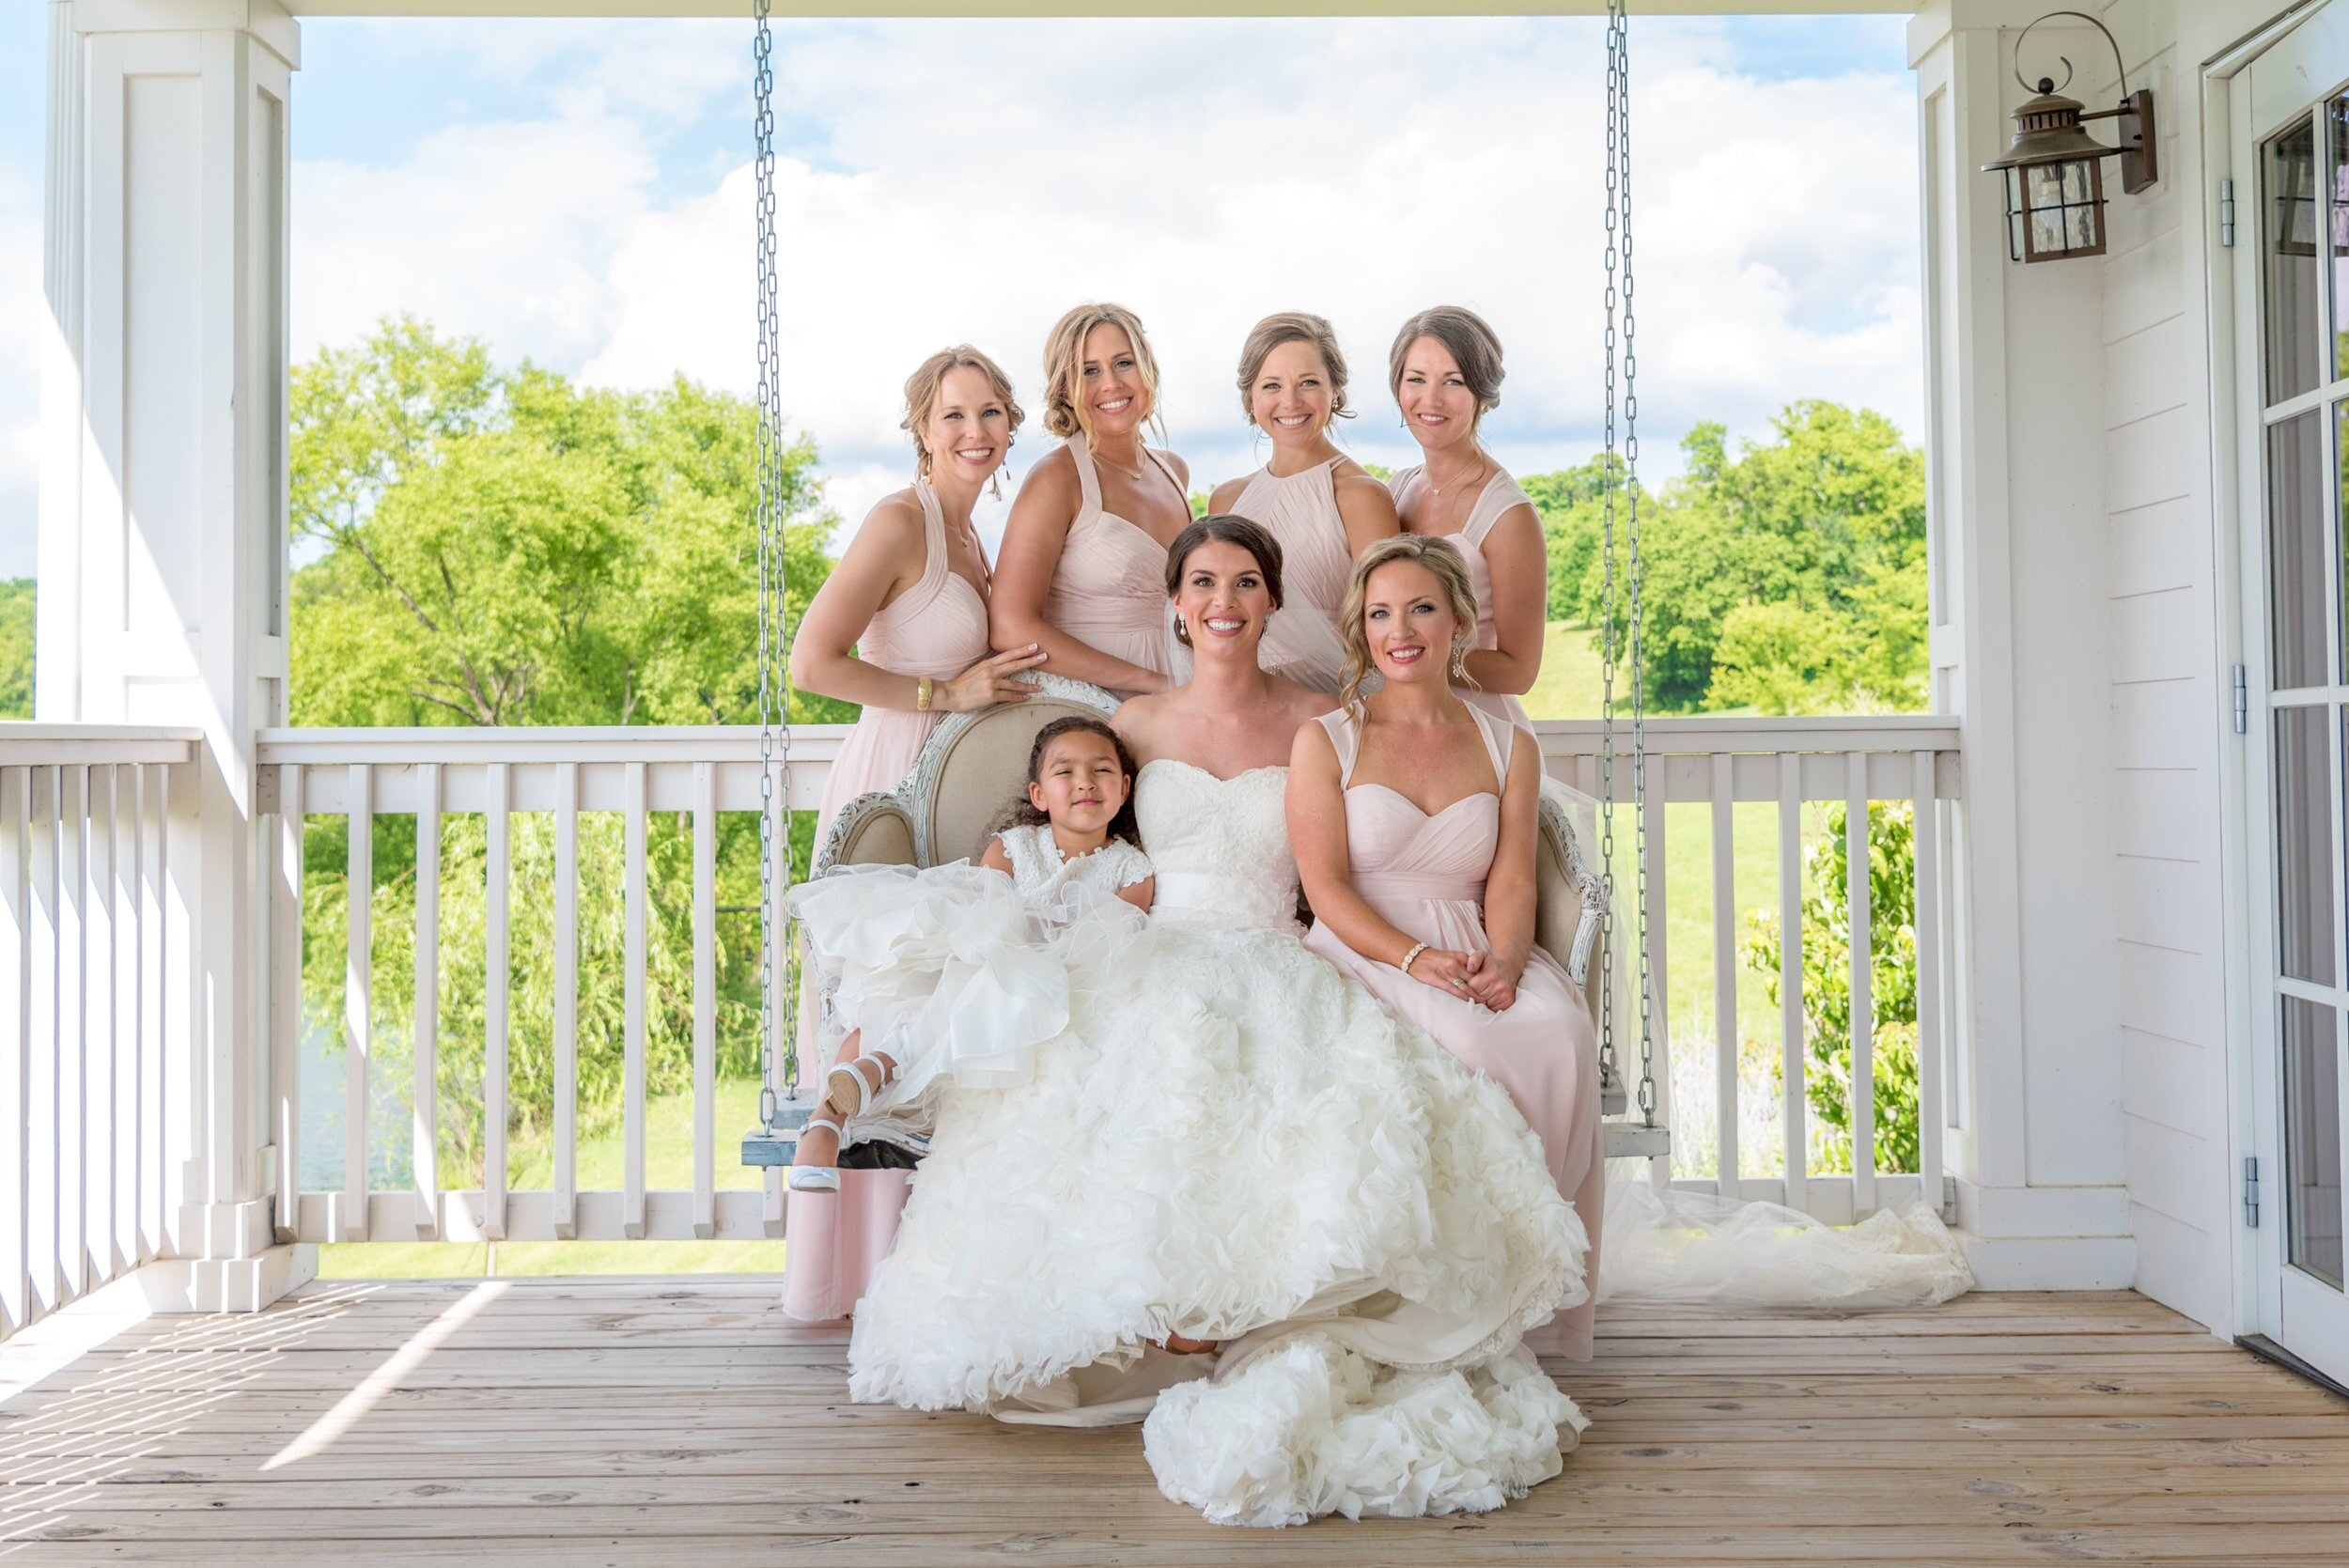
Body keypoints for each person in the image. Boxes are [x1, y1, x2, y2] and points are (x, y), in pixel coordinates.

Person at [846, 516, 1589, 1528]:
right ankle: (1154, 1315)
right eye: (1202, 583)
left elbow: (1333, 867)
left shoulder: (1325, 719)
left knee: (1298, 1109)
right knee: (1127, 1093)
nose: (1223, 602)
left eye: (1245, 582)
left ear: (1272, 601)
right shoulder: (1138, 723)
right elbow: (1068, 825)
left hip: (1275, 950)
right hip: (1149, 951)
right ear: (1176, 602)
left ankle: (1258, 1315)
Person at [1289, 534, 1605, 1359]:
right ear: (1361, 629)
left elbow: (1509, 879)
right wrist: (1409, 957)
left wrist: (1504, 961)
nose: (1403, 629)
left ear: (1458, 619)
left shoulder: (1508, 743)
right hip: (1367, 947)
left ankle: (1525, 1278)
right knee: (1467, 1040)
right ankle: (1452, 1293)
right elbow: (1323, 886)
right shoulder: (1329, 738)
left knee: (1558, 1030)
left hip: (1472, 939)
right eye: (1381, 612)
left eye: (1422, 607)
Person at [782, 344, 1045, 1323]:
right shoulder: (899, 523)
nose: (974, 432)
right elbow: (814, 660)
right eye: (953, 417)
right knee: (883, 992)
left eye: (990, 414)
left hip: (959, 788)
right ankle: (835, 1254)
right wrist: (946, 690)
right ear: (921, 432)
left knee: (942, 1008)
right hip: (894, 776)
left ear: (1010, 425)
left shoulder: (978, 535)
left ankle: (920, 1262)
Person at [786, 717, 1156, 1193]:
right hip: (975, 959)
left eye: (1101, 770)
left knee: (993, 987)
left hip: (1055, 991)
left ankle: (871, 1072)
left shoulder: (1132, 870)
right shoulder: (1012, 847)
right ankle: (828, 1111)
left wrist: (1023, 956)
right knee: (913, 988)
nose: (1084, 780)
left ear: (1125, 788)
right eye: (1065, 772)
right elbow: (983, 914)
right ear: (1039, 795)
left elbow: (1105, 948)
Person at [989, 303, 1191, 698]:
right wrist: (1150, 683)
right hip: (1094, 704)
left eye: (1123, 363)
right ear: (1066, 388)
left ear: (1147, 369)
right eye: (1089, 370)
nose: (1111, 383)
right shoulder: (1056, 479)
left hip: (1181, 695)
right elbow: (1010, 626)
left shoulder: (1174, 471)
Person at [1206, 312, 1398, 691]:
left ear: (1336, 390)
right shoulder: (1226, 501)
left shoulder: (1362, 496)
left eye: (1308, 382)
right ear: (1250, 396)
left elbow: (1385, 622)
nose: (1290, 401)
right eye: (1272, 385)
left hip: (1331, 698)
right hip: (1236, 697)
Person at [1384, 307, 1547, 725]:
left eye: (1452, 382)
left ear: (1482, 393)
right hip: (1405, 723)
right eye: (1416, 379)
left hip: (1479, 727)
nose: (1431, 399)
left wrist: (1416, 655)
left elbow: (1520, 670)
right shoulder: (1396, 490)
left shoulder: (1508, 515)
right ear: (1397, 387)